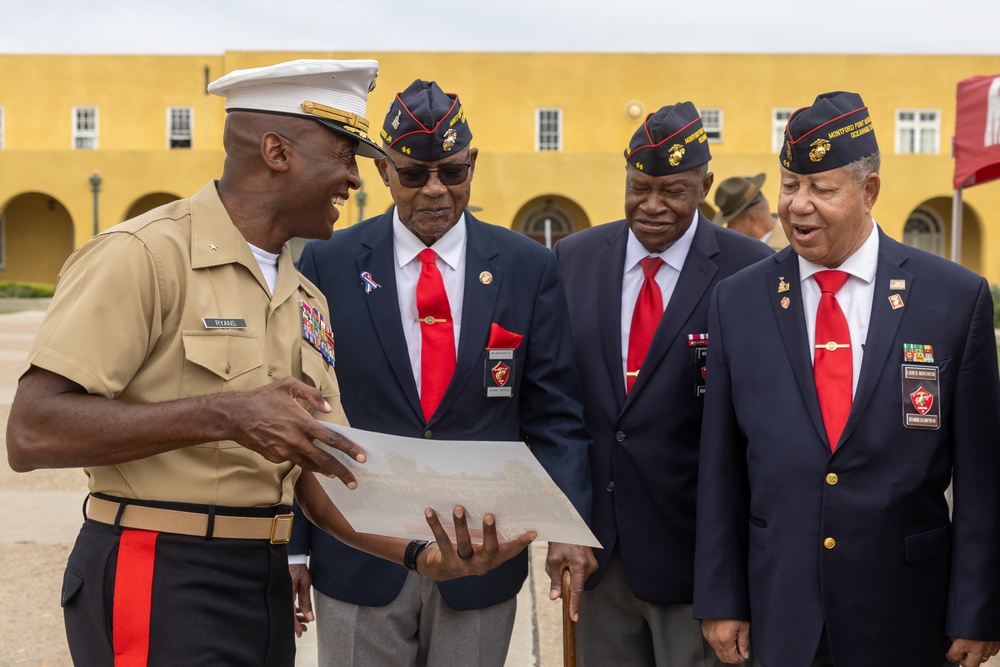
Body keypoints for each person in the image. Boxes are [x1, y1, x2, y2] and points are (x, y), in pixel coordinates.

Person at [4, 60, 531, 667]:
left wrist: (418, 555)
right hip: (158, 569)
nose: (356, 180)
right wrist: (225, 415)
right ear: (277, 152)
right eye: (341, 155)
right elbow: (32, 430)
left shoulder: (303, 295)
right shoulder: (145, 255)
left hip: (261, 581)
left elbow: (316, 469)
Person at [288, 79, 596, 667]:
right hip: (359, 557)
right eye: (413, 174)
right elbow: (306, 411)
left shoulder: (528, 268)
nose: (434, 191)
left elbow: (555, 413)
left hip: (483, 557)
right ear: (382, 170)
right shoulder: (327, 261)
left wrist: (569, 526)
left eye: (452, 173)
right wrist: (296, 549)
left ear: (472, 164)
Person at [693, 91, 1000, 667]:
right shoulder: (737, 301)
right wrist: (720, 597)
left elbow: (982, 478)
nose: (799, 206)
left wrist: (979, 609)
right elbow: (720, 466)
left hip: (907, 613)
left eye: (822, 190)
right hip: (779, 610)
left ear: (870, 191)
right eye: (790, 186)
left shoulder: (954, 300)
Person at [552, 102, 773, 666]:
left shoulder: (751, 271)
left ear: (706, 186)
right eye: (638, 186)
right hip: (597, 555)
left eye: (672, 190)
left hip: (700, 562)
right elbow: (556, 405)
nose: (651, 206)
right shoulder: (572, 259)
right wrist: (562, 521)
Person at [713, 173, 788, 250]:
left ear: (752, 219)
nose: (728, 228)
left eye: (732, 223)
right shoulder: (736, 249)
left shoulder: (793, 246)